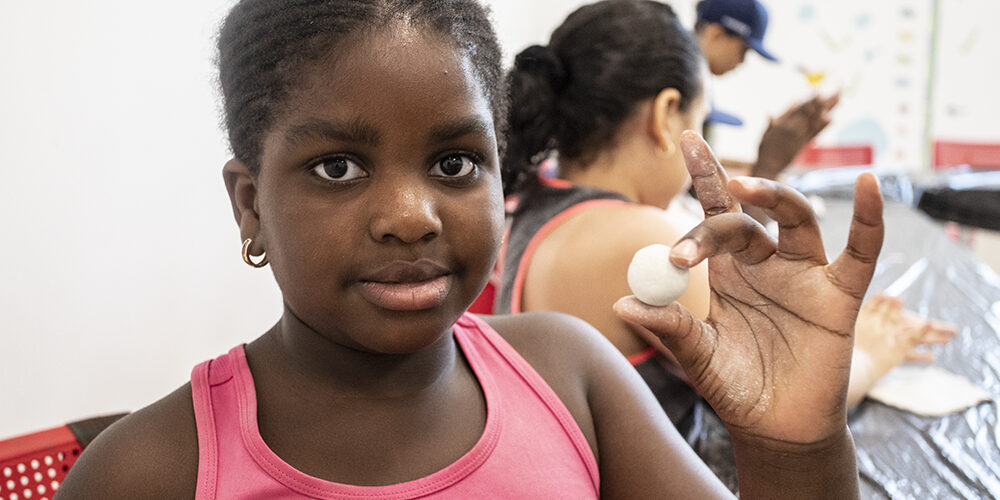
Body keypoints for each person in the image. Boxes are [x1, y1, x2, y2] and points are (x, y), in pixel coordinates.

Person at [55, 0, 883, 497]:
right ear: (251, 206)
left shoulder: (571, 375)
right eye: (337, 167)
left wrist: (794, 450)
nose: (412, 216)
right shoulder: (150, 474)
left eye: (454, 163)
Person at [499, 0, 953, 490]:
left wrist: (767, 171)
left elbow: (742, 294)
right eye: (701, 115)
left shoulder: (536, 202)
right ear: (667, 115)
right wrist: (876, 350)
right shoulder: (637, 237)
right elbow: (785, 391)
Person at [694, 0, 840, 180]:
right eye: (744, 50)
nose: (742, 61)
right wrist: (767, 169)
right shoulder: (682, 80)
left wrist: (758, 170)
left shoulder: (697, 78)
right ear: (716, 34)